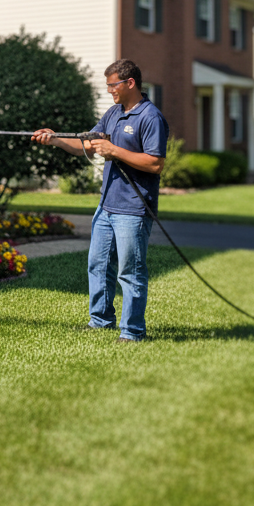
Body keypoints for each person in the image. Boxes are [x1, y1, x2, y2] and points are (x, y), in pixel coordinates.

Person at [32, 59, 168, 342]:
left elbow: (155, 164)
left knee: (130, 272)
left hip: (133, 208)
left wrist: (114, 150)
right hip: (106, 206)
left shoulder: (150, 117)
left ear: (130, 83)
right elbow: (88, 144)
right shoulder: (113, 113)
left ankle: (132, 332)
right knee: (97, 264)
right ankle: (101, 320)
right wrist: (55, 139)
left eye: (113, 85)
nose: (109, 91)